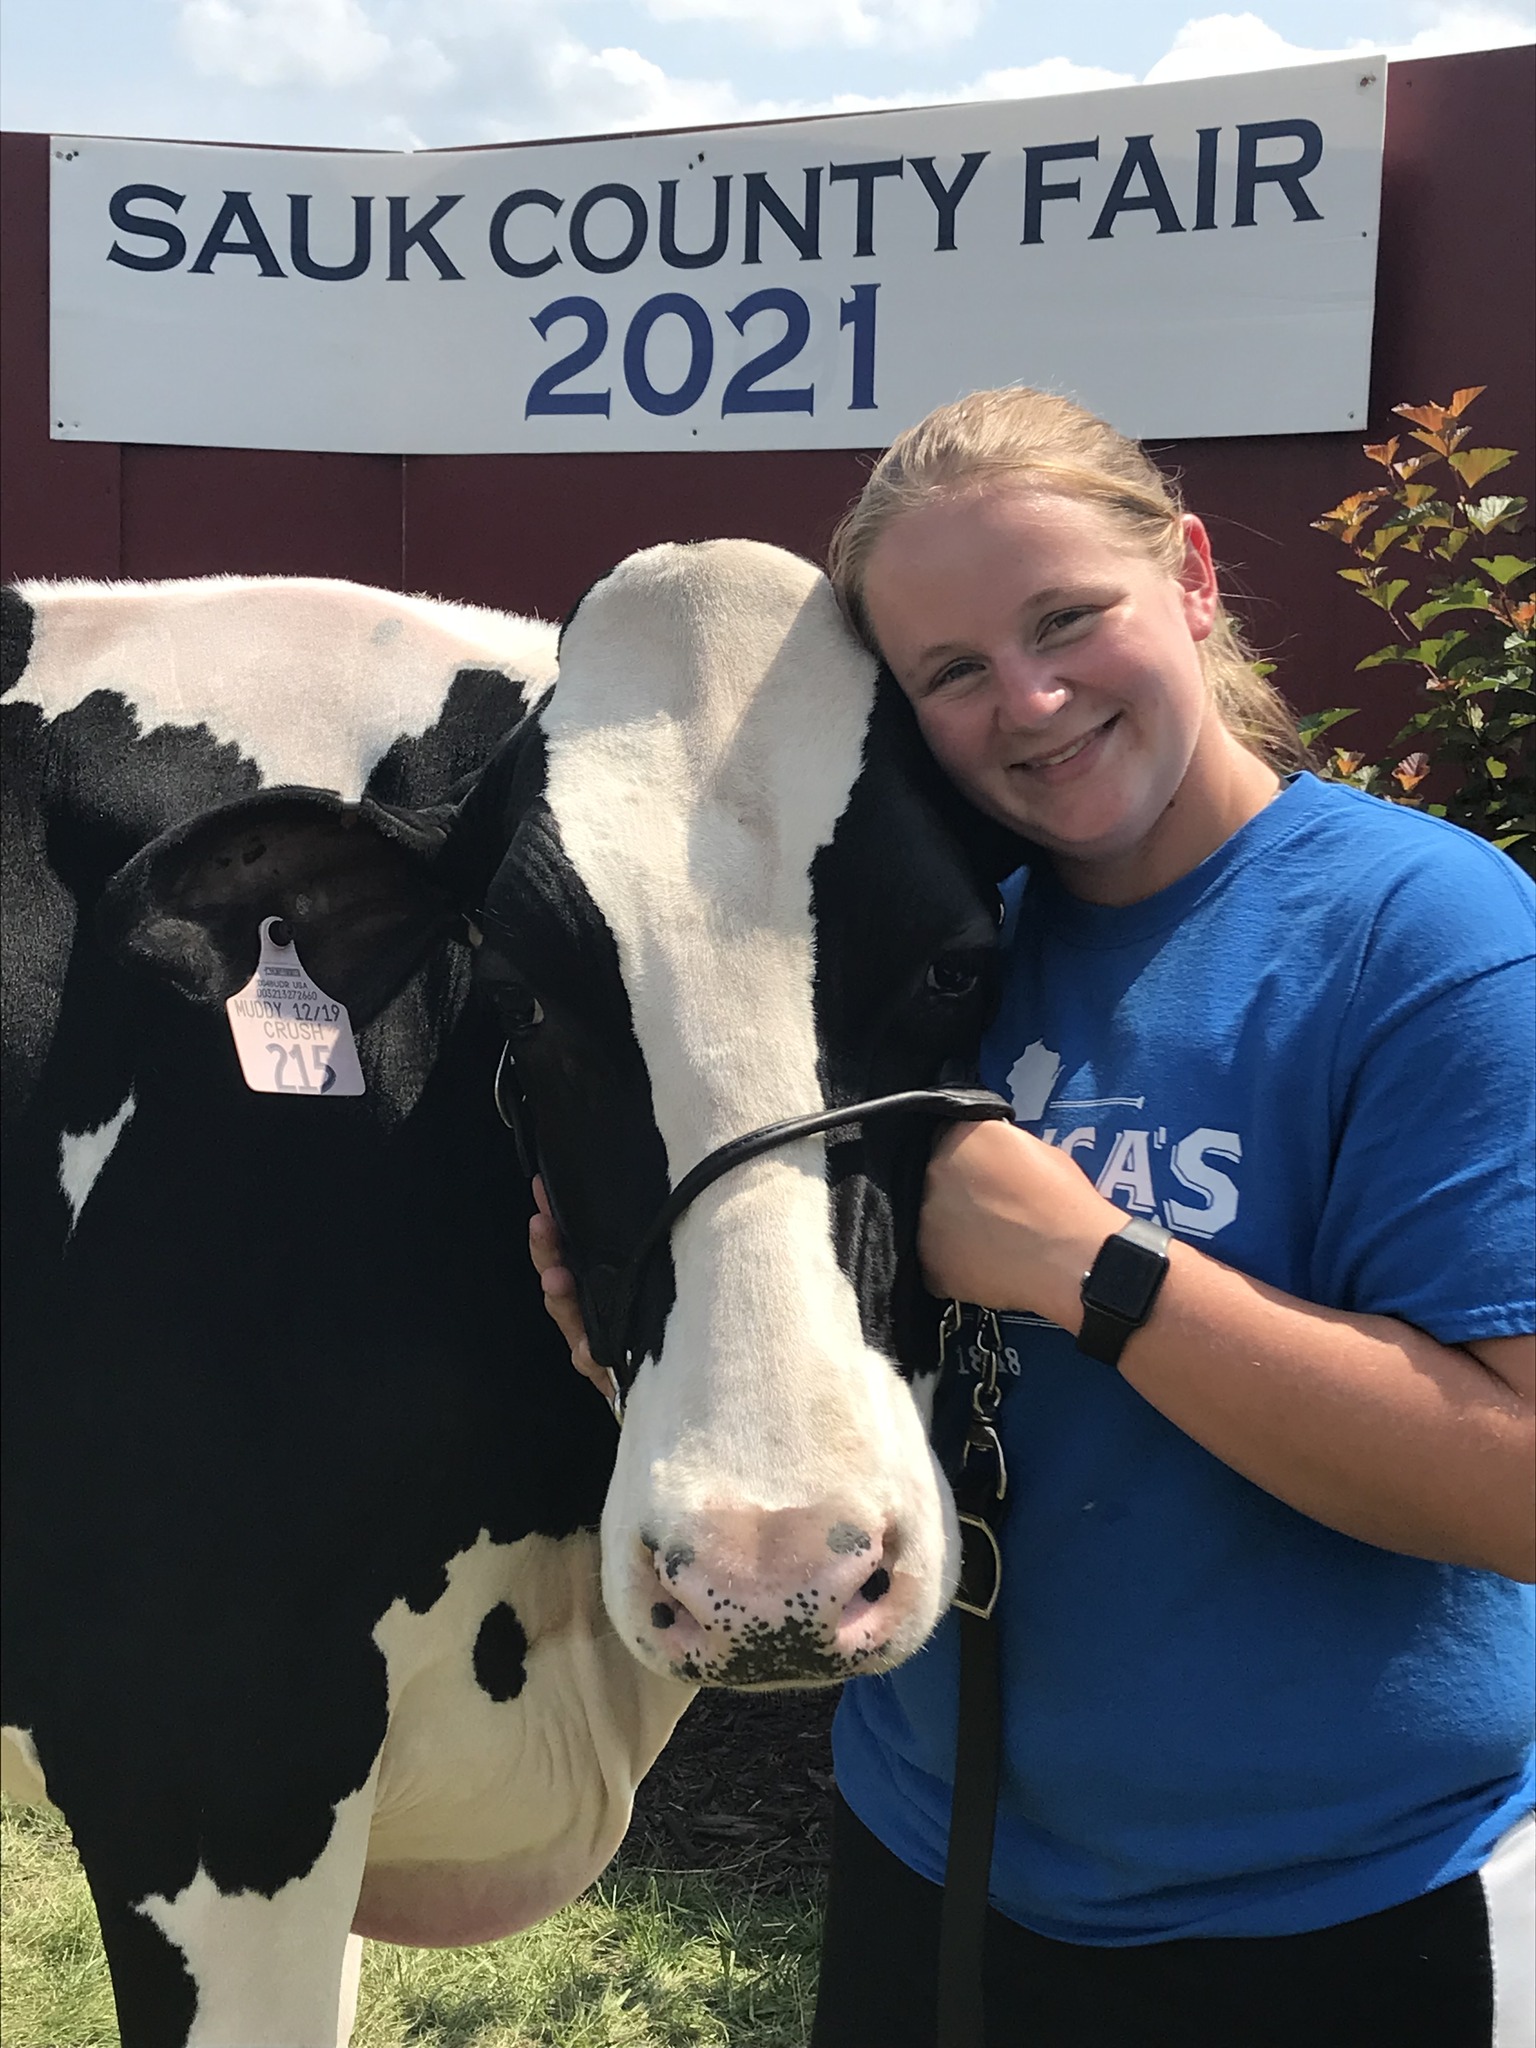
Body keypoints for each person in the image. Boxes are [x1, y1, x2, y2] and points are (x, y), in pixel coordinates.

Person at [531, 387, 1535, 2048]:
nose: (1035, 700)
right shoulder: (916, 957)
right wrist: (639, 1319)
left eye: (1068, 620)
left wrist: (1090, 1267)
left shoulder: (1425, 934)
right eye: (951, 671)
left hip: (1344, 1911)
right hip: (937, 1867)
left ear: (1195, 577)